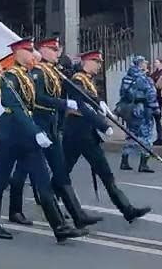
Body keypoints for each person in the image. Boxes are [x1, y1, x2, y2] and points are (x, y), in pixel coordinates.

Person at [0, 39, 86, 243]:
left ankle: (59, 227)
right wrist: (36, 132)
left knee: (43, 181)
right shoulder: (10, 78)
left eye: (32, 50)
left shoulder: (27, 75)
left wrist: (37, 132)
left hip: (28, 137)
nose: (33, 54)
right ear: (17, 53)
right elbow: (18, 109)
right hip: (11, 135)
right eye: (28, 50)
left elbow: (32, 106)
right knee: (1, 179)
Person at [8, 38, 98, 228]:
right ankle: (15, 210)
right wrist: (64, 104)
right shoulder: (37, 72)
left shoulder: (53, 70)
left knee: (60, 169)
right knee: (24, 169)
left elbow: (70, 90)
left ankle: (77, 214)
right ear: (42, 50)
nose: (58, 53)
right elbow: (39, 99)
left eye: (58, 50)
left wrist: (93, 100)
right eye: (53, 49)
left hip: (52, 124)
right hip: (37, 123)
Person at [62, 50, 151, 223]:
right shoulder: (77, 80)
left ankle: (127, 209)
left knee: (105, 173)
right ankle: (49, 200)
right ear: (86, 62)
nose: (99, 65)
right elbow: (82, 106)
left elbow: (91, 99)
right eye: (96, 62)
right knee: (63, 172)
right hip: (76, 132)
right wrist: (103, 125)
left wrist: (100, 103)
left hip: (87, 134)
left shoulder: (87, 80)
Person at [119, 55, 157, 172]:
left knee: (131, 134)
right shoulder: (144, 78)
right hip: (142, 110)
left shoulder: (127, 77)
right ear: (140, 64)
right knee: (146, 136)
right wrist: (154, 109)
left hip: (130, 110)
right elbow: (151, 95)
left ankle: (124, 160)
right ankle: (143, 163)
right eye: (144, 62)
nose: (146, 64)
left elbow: (122, 92)